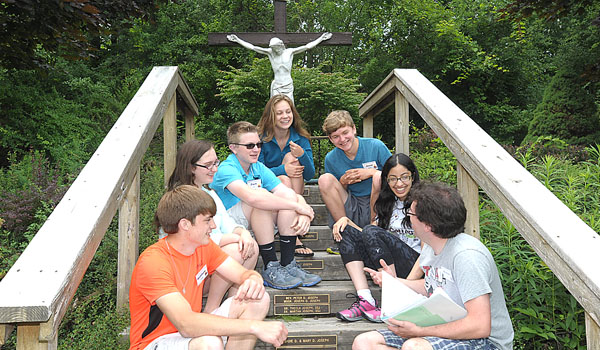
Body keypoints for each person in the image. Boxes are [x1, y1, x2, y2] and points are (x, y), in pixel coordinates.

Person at [353, 182, 514, 350]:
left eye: (411, 213)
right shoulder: (431, 246)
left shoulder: (467, 257)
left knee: (414, 346)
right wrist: (393, 281)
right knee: (364, 343)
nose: (408, 217)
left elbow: (480, 325)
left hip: (487, 342)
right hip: (445, 325)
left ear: (428, 225)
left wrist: (420, 331)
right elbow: (433, 284)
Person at [129, 185, 288, 350]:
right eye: (207, 220)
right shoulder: (153, 262)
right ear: (185, 224)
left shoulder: (203, 247)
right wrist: (254, 327)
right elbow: (186, 324)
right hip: (154, 342)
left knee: (258, 298)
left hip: (189, 333)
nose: (213, 225)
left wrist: (253, 279)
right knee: (209, 344)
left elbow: (242, 275)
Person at [211, 121, 321, 290]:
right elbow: (251, 198)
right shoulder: (227, 168)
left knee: (285, 201)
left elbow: (286, 193)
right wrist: (298, 207)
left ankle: (287, 265)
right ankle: (270, 265)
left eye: (258, 144)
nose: (256, 149)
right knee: (262, 198)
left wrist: (302, 210)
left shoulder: (257, 167)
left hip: (256, 220)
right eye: (249, 146)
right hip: (231, 225)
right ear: (233, 148)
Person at [165, 139, 259, 313]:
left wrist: (243, 233)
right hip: (187, 273)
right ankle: (211, 308)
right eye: (208, 165)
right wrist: (230, 238)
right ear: (191, 167)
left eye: (216, 162)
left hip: (207, 267)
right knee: (234, 250)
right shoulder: (180, 198)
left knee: (249, 246)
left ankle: (233, 304)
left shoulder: (209, 193)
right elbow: (189, 240)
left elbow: (228, 222)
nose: (215, 169)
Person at [333, 153, 423, 323]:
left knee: (371, 231)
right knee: (346, 229)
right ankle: (366, 299)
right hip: (388, 265)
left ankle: (394, 301)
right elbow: (370, 235)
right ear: (386, 182)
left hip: (414, 267)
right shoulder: (387, 202)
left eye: (404, 177)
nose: (399, 184)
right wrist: (347, 222)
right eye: (393, 179)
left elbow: (428, 252)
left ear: (413, 176)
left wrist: (402, 287)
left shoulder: (422, 203)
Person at [318, 110, 392, 254]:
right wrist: (343, 182)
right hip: (353, 205)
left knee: (378, 177)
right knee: (324, 179)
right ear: (330, 139)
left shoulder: (375, 146)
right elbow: (336, 193)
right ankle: (344, 234)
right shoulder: (331, 159)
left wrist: (371, 172)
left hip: (379, 202)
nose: (342, 139)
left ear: (354, 129)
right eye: (336, 136)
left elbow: (397, 174)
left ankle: (373, 232)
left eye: (345, 133)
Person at [258, 94, 316, 257]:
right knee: (283, 179)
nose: (285, 116)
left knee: (294, 158)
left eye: (288, 112)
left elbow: (310, 175)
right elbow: (257, 173)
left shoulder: (301, 138)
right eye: (279, 113)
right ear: (271, 116)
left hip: (294, 189)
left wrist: (302, 154)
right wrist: (283, 170)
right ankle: (293, 228)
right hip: (268, 190)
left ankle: (291, 221)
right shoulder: (261, 138)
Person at [227, 33, 332, 102]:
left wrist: (321, 39)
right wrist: (238, 40)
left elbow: (307, 46)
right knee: (275, 110)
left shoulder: (289, 52)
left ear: (281, 45)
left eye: (277, 48)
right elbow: (254, 48)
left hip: (288, 85)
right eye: (274, 48)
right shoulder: (270, 53)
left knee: (289, 108)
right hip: (277, 85)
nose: (276, 50)